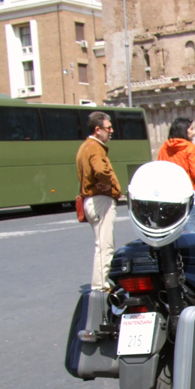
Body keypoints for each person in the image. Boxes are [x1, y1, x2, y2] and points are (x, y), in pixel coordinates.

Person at [77, 111, 122, 291]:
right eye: (108, 128)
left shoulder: (84, 147)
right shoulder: (95, 147)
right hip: (100, 200)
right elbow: (101, 170)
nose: (111, 131)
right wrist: (107, 184)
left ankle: (101, 282)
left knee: (101, 243)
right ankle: (101, 284)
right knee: (105, 244)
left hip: (90, 199)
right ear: (97, 130)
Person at [158, 117, 195, 232]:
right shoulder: (189, 147)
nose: (194, 132)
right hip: (187, 194)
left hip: (168, 196)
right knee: (190, 231)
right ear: (183, 130)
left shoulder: (163, 148)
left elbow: (160, 171)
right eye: (191, 129)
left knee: (171, 231)